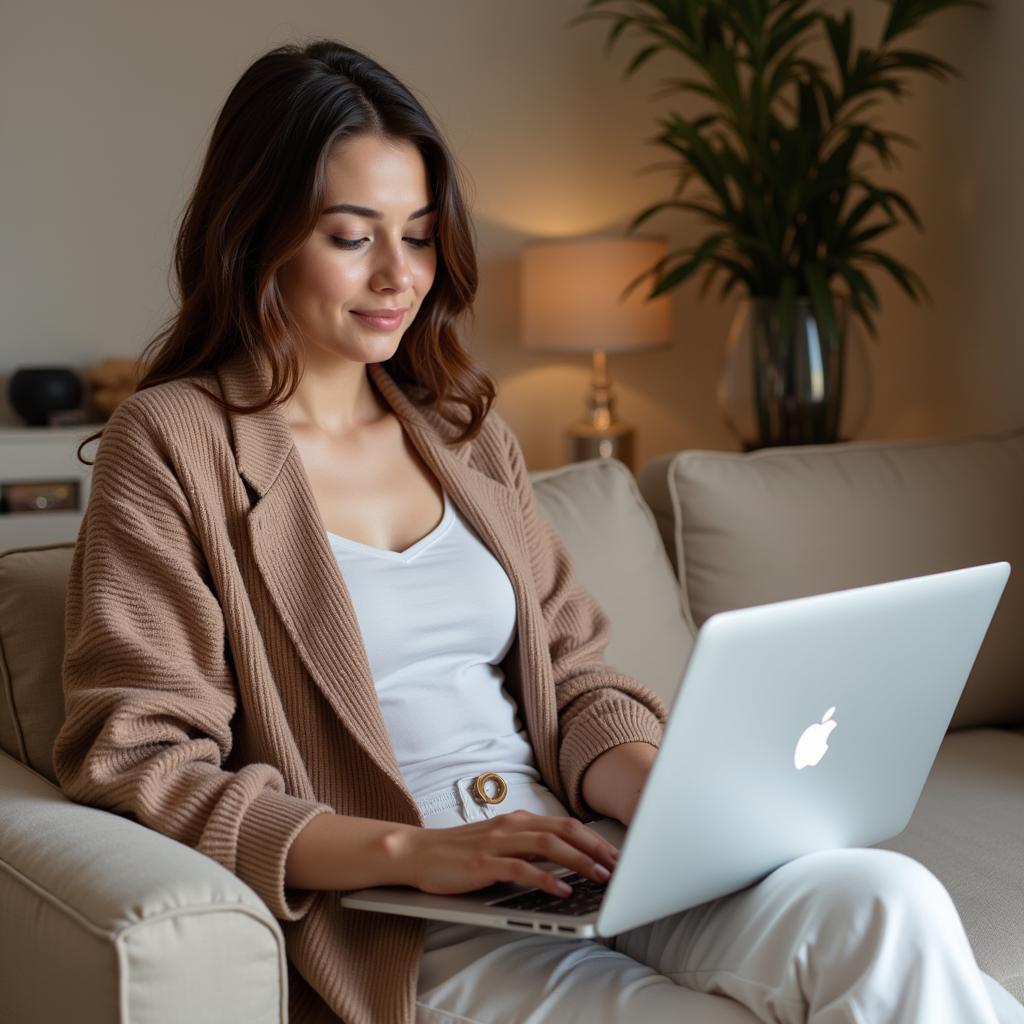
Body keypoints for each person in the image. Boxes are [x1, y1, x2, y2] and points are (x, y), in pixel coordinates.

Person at [52, 38, 1024, 1024]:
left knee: (889, 901)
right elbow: (143, 754)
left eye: (420, 234)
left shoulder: (463, 431)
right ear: (256, 232)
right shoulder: (173, 440)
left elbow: (579, 677)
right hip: (411, 908)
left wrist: (663, 800)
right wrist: (413, 852)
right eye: (353, 237)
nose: (399, 275)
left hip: (578, 856)